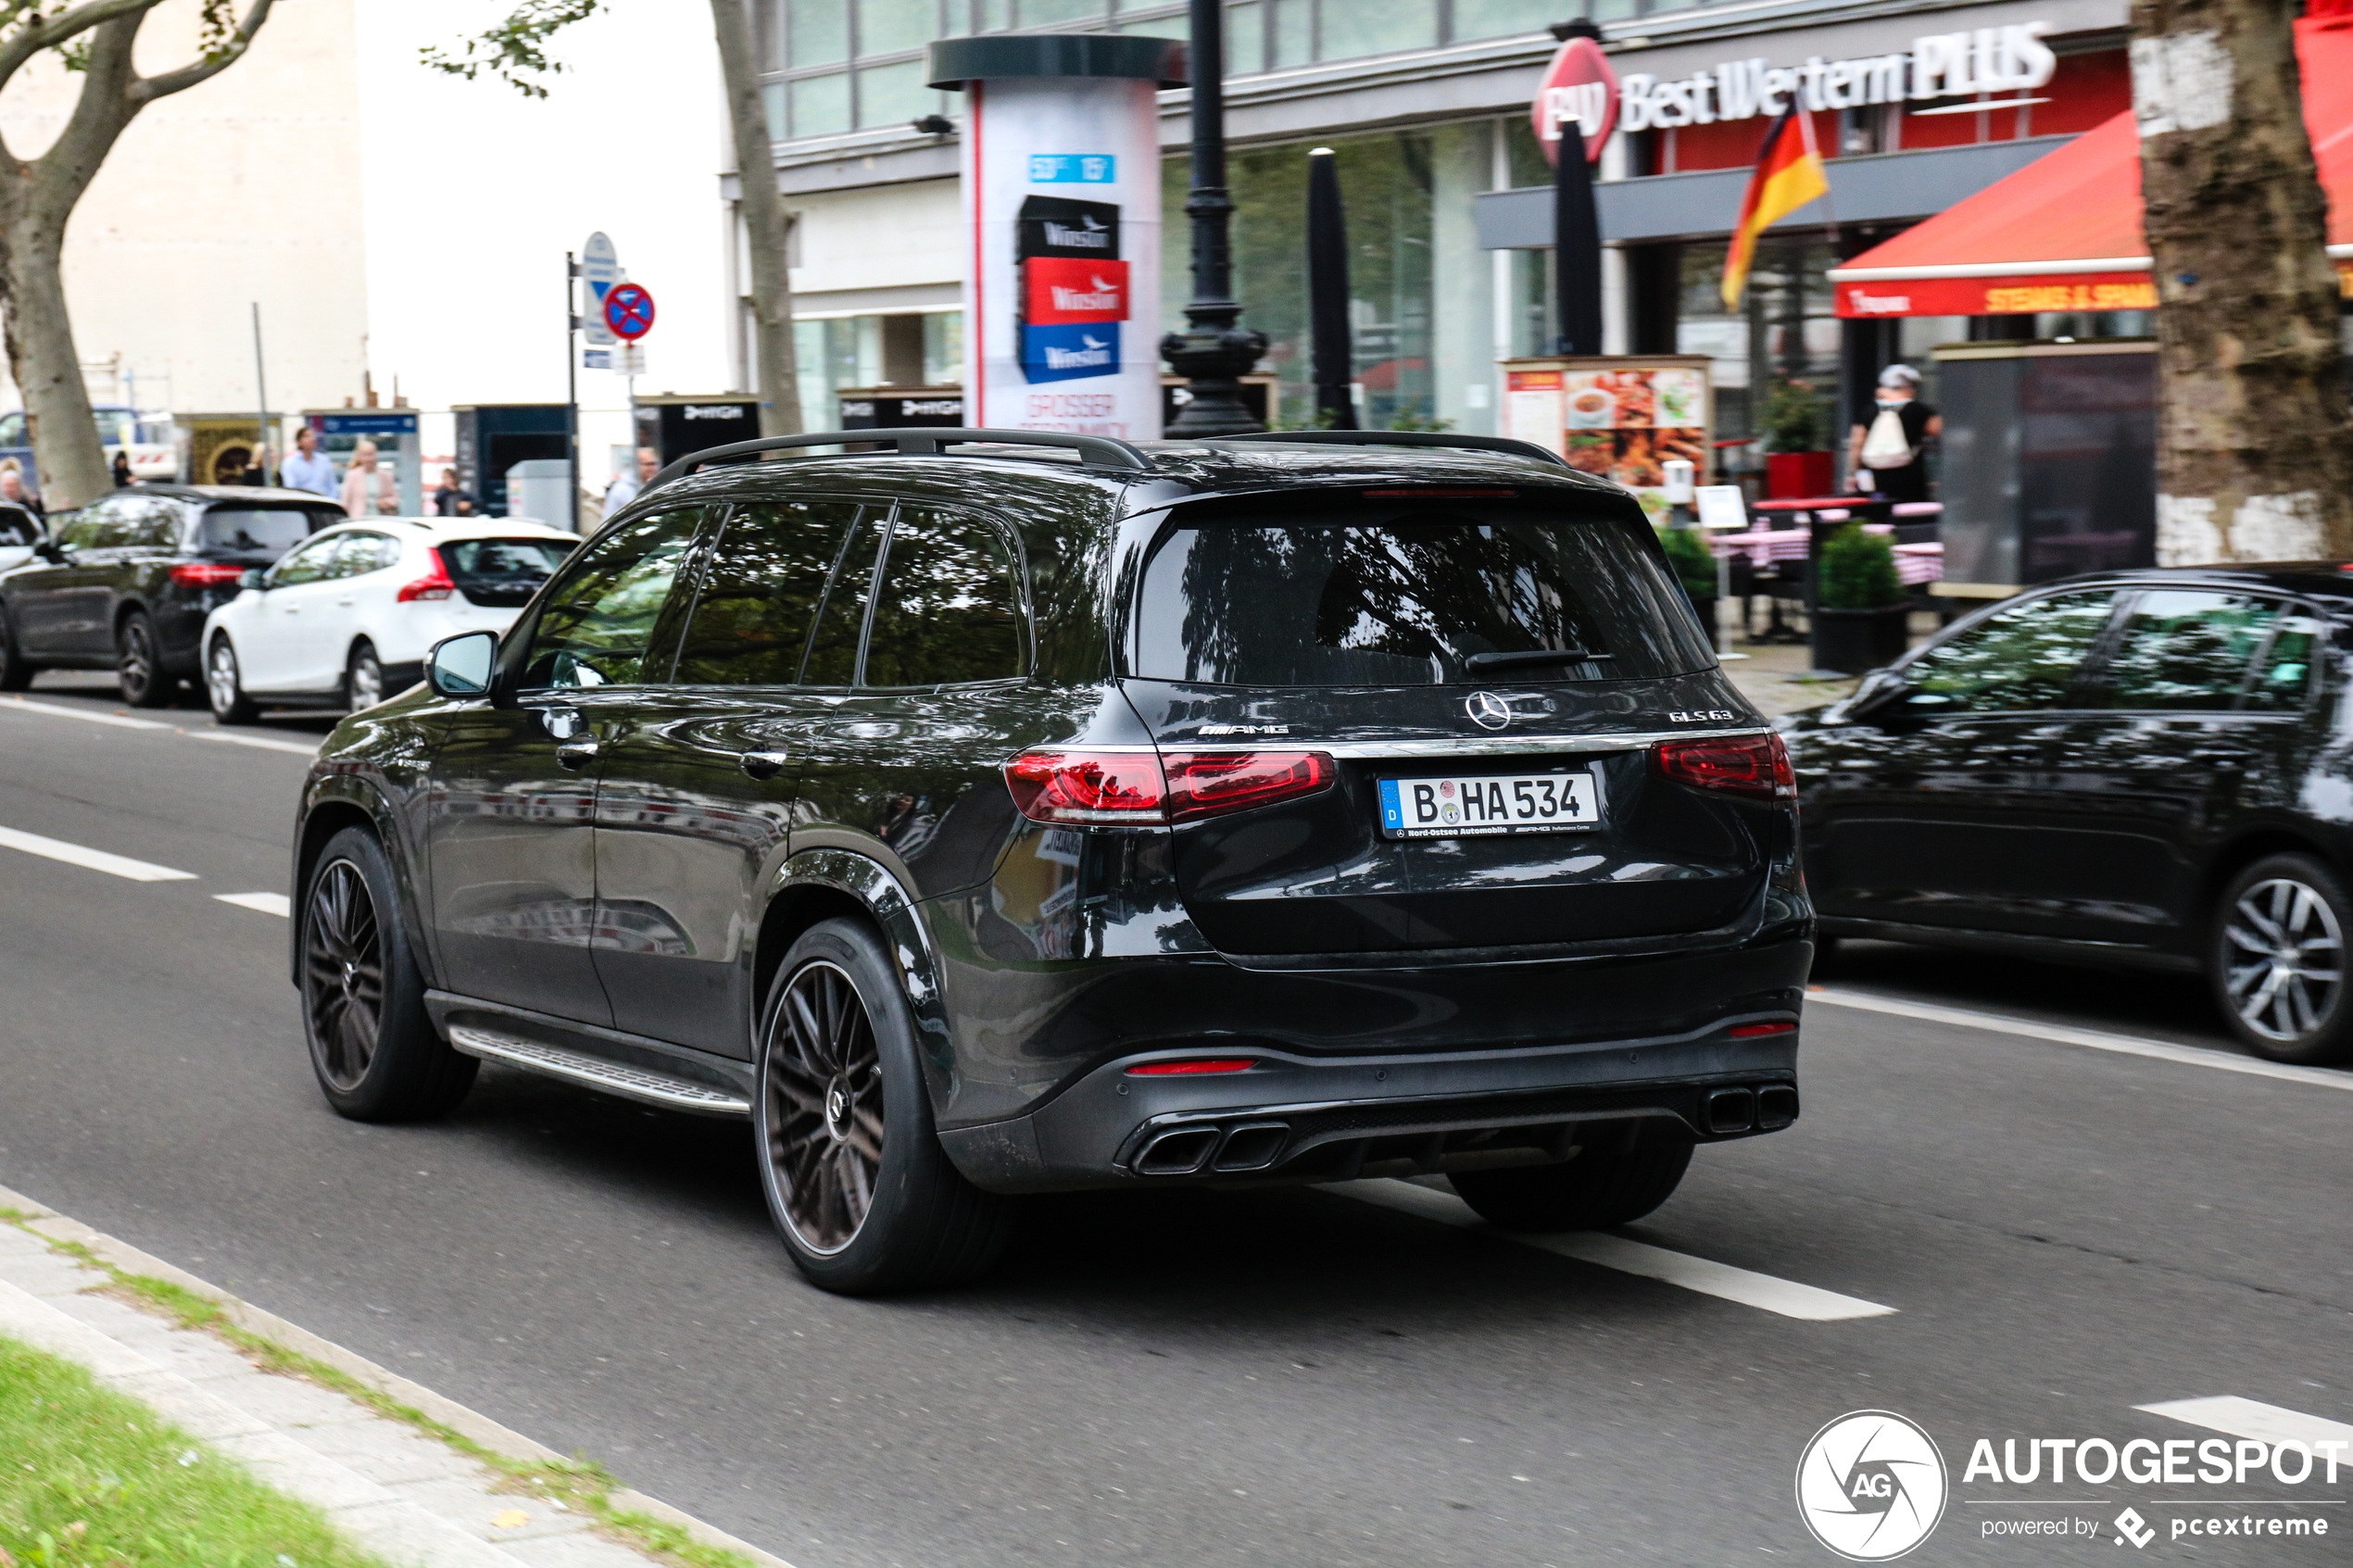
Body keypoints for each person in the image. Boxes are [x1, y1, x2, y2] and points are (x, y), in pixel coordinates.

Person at [1847, 364, 1941, 504]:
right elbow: (1940, 431)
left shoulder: (1869, 411)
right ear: (1909, 387)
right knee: (1910, 519)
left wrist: (1852, 474)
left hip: (1874, 478)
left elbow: (1857, 444)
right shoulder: (1919, 410)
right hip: (1909, 479)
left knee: (1877, 517)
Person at [339, 439, 396, 517]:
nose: (369, 459)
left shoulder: (386, 476)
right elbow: (345, 501)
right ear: (359, 457)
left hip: (382, 519)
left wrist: (386, 503)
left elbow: (394, 498)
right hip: (359, 520)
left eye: (371, 454)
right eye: (365, 455)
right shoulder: (352, 476)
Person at [281, 427, 338, 501]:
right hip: (304, 505)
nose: (312, 439)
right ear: (299, 442)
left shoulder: (324, 460)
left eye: (313, 436)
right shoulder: (290, 463)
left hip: (324, 505)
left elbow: (332, 485)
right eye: (307, 436)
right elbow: (291, 487)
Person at [603, 445, 660, 514]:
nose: (653, 468)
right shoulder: (621, 490)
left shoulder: (655, 485)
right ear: (636, 465)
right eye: (648, 464)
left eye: (654, 464)